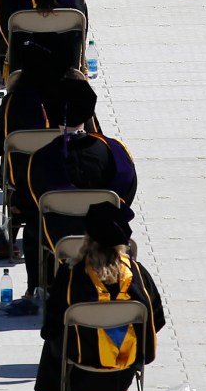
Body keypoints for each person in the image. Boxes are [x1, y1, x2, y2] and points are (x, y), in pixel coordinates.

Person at [31, 202, 164, 391]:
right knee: (129, 333)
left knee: (55, 331)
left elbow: (52, 325)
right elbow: (156, 320)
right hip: (124, 362)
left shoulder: (71, 273)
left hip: (79, 362)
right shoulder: (138, 274)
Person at [15, 77, 137, 304]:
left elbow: (26, 202)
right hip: (107, 236)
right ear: (89, 112)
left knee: (33, 225)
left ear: (48, 112)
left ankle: (39, 289)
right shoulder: (114, 151)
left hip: (59, 237)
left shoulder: (41, 158)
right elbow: (126, 195)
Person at [0, 39, 97, 187]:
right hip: (70, 178)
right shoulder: (77, 97)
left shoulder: (13, 101)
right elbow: (95, 138)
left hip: (24, 181)